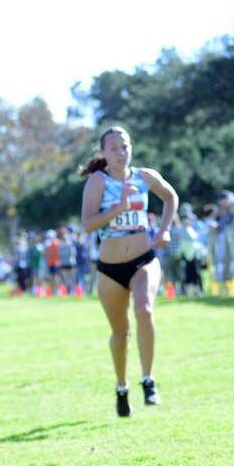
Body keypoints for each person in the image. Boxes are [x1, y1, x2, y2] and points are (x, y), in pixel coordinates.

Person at [80, 126, 178, 417]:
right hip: (109, 269)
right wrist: (119, 207)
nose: (121, 153)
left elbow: (171, 197)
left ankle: (148, 380)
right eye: (114, 148)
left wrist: (164, 230)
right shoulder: (98, 182)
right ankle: (121, 388)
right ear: (103, 153)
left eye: (125, 146)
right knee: (120, 334)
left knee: (144, 310)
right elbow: (88, 225)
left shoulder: (145, 177)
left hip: (143, 260)